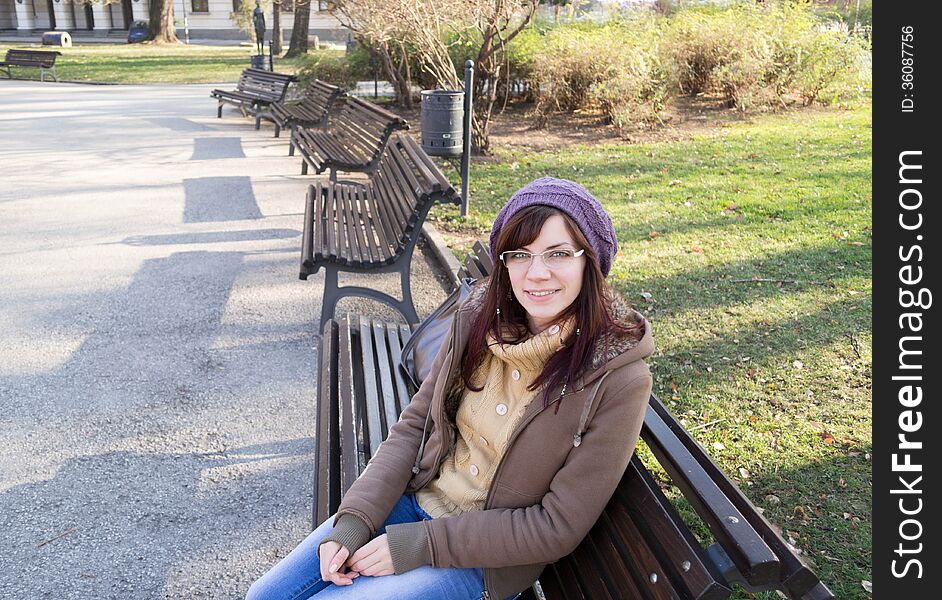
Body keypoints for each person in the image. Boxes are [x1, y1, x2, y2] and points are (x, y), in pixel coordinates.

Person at [246, 177, 654, 600]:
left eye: (559, 254)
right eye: (520, 255)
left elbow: (556, 526)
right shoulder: (480, 320)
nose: (537, 273)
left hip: (482, 560)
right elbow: (415, 424)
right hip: (414, 503)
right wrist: (355, 520)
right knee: (264, 595)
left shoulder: (618, 379)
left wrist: (420, 546)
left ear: (590, 261)